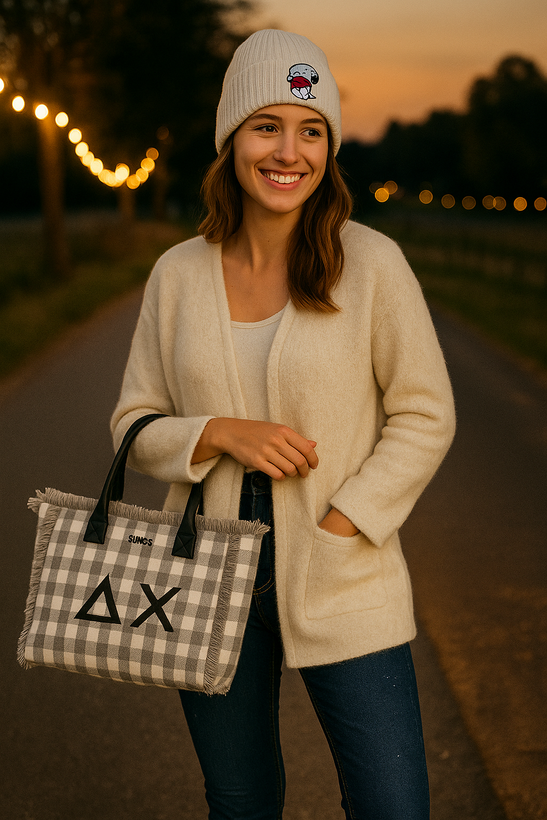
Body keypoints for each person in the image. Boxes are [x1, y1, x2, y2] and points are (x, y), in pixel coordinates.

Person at [111, 28, 456, 820]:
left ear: (328, 148)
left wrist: (345, 522)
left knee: (392, 804)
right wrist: (216, 434)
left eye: (310, 131)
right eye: (267, 125)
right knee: (240, 799)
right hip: (203, 577)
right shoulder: (176, 274)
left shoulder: (370, 263)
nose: (287, 152)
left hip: (344, 574)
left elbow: (423, 413)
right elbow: (132, 421)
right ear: (232, 139)